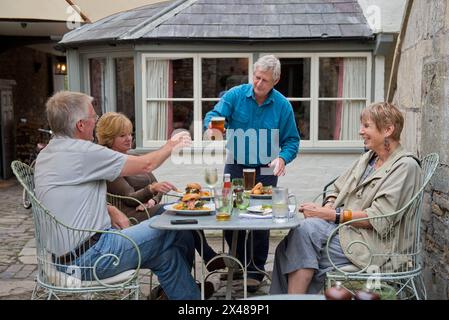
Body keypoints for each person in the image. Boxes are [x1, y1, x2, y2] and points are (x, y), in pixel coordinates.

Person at [34, 91, 199, 300]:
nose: (96, 121)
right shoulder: (83, 151)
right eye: (93, 117)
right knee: (177, 223)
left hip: (65, 257)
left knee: (168, 257)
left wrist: (109, 208)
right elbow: (147, 164)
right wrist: (171, 145)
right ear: (80, 125)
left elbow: (66, 195)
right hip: (94, 257)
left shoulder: (49, 153)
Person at [270, 102, 422, 294]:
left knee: (302, 237)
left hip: (374, 245)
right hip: (346, 232)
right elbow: (336, 187)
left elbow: (380, 218)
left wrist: (331, 214)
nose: (360, 131)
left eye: (366, 126)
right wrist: (329, 206)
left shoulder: (405, 167)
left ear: (388, 130)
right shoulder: (369, 159)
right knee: (289, 244)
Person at [203, 55, 300, 291]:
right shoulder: (236, 95)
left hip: (266, 168)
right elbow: (214, 115)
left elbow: (292, 141)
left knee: (260, 219)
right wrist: (215, 128)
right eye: (257, 77)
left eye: (265, 80)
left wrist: (282, 157)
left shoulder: (282, 106)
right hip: (236, 164)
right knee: (229, 215)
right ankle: (238, 265)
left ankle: (255, 270)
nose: (258, 83)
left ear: (275, 80)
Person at [95, 112, 226, 272]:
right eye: (122, 135)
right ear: (109, 138)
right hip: (132, 216)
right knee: (183, 213)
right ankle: (207, 256)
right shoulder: (109, 163)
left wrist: (153, 199)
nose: (129, 138)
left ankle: (194, 271)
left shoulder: (134, 156)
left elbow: (156, 185)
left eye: (130, 134)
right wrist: (150, 190)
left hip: (149, 208)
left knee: (186, 216)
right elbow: (130, 198)